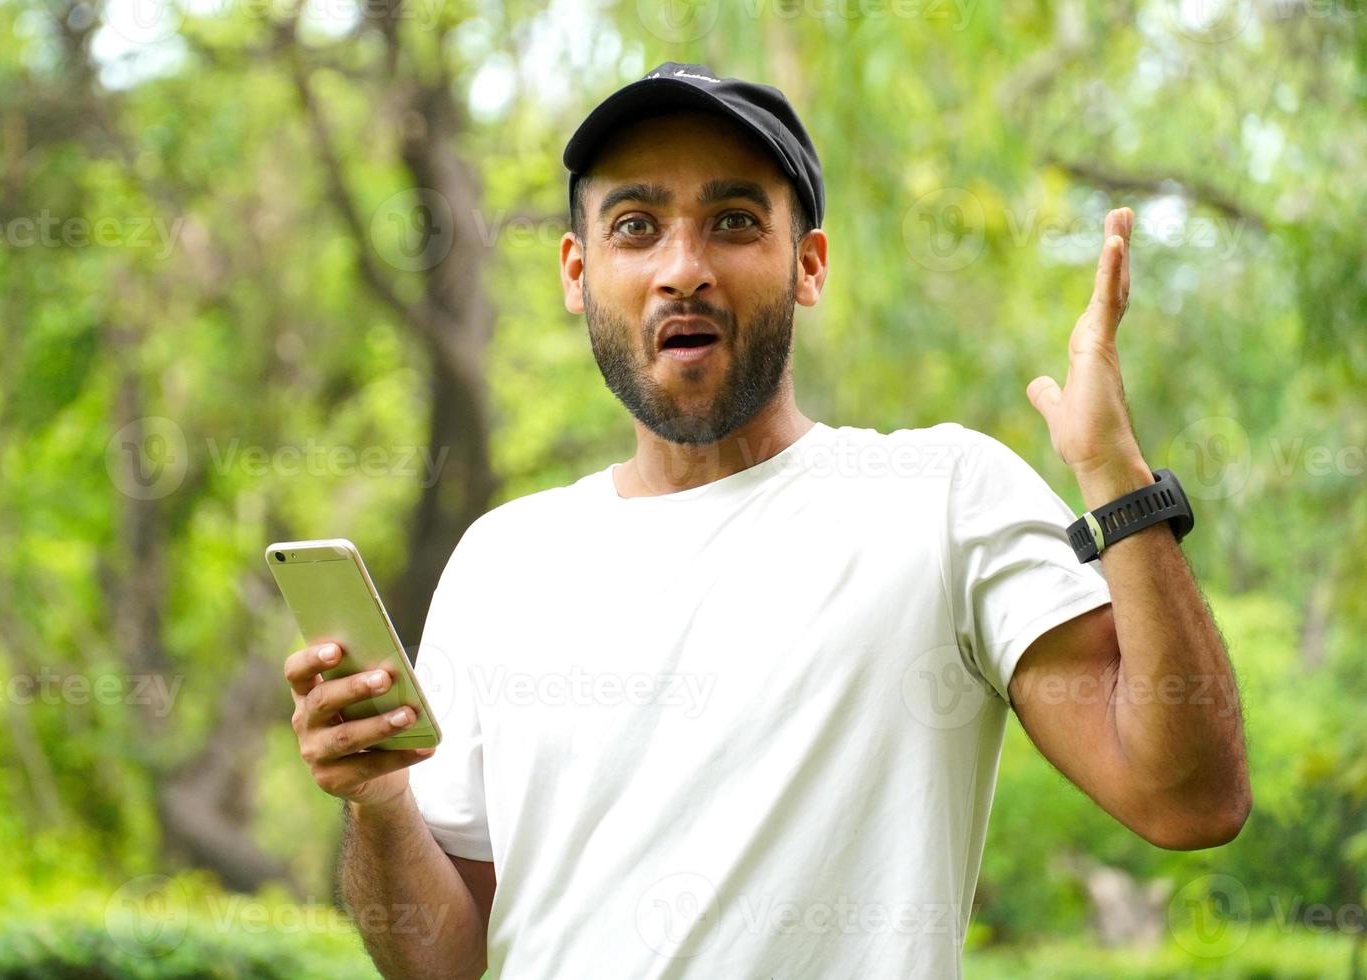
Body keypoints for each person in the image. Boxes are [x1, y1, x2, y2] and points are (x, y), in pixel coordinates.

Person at [283, 62, 1251, 979]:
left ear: (809, 265)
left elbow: (1189, 795)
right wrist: (377, 801)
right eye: (635, 226)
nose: (682, 268)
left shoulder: (942, 497)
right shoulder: (503, 559)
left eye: (735, 221)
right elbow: (441, 957)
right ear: (577, 272)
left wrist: (1115, 477)